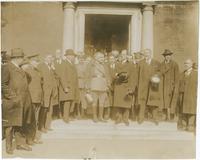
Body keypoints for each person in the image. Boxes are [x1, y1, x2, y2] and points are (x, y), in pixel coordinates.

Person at [2, 48, 33, 153]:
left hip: (22, 101)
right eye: (21, 57)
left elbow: (27, 79)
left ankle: (19, 144)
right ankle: (9, 147)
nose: (23, 59)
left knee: (19, 123)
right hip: (12, 101)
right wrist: (12, 96)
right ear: (16, 58)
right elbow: (2, 84)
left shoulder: (19, 68)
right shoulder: (7, 67)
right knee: (10, 125)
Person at [137, 49, 161, 125]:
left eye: (148, 53)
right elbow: (137, 74)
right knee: (142, 102)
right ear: (144, 54)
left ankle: (155, 119)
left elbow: (160, 72)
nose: (146, 55)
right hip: (143, 86)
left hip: (153, 87)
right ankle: (141, 118)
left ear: (151, 54)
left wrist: (156, 76)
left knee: (153, 103)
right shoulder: (140, 63)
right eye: (145, 53)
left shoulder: (156, 63)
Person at [113, 50, 137, 126]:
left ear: (127, 56)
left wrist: (131, 87)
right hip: (119, 85)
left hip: (127, 86)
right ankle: (119, 118)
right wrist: (116, 76)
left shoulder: (130, 65)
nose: (123, 56)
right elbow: (114, 74)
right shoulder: (117, 64)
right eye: (122, 54)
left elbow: (133, 77)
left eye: (124, 54)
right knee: (118, 103)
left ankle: (125, 119)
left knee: (126, 103)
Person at [86, 52, 111, 122]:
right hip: (94, 84)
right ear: (96, 58)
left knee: (102, 102)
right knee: (94, 102)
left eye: (103, 57)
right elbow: (87, 76)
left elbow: (108, 75)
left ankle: (100, 117)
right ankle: (94, 116)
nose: (102, 59)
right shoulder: (91, 65)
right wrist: (87, 87)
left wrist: (108, 85)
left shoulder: (105, 65)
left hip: (103, 85)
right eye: (100, 57)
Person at [55, 49, 79, 123]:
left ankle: (67, 116)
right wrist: (65, 87)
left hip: (72, 86)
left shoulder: (72, 64)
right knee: (67, 102)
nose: (73, 57)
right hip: (67, 87)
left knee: (70, 101)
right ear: (68, 56)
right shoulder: (64, 63)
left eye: (74, 56)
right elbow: (62, 76)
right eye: (72, 56)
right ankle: (66, 118)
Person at [25, 54, 43, 144]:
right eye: (36, 61)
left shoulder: (38, 71)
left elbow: (40, 86)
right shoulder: (27, 71)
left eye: (38, 61)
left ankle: (34, 137)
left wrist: (41, 98)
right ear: (30, 61)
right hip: (31, 99)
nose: (37, 63)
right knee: (30, 120)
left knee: (36, 120)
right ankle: (28, 139)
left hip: (38, 99)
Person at [39, 55, 58, 132]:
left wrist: (54, 69)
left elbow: (56, 77)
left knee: (50, 109)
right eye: (49, 58)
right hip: (45, 91)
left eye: (51, 58)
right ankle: (41, 126)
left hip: (51, 92)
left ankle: (47, 125)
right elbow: (40, 78)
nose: (51, 59)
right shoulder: (41, 66)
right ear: (45, 58)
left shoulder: (51, 67)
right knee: (44, 109)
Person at [177, 59, 197, 133]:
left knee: (191, 110)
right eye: (185, 63)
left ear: (191, 64)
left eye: (188, 63)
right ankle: (184, 125)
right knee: (183, 110)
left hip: (192, 95)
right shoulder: (182, 74)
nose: (186, 64)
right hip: (183, 95)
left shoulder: (196, 74)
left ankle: (190, 125)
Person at [160, 49, 179, 121]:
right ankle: (164, 115)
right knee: (164, 101)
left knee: (170, 101)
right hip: (163, 86)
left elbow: (177, 77)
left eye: (169, 55)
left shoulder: (174, 64)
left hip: (171, 86)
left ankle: (170, 116)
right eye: (166, 56)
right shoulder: (161, 64)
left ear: (171, 56)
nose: (167, 57)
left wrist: (175, 86)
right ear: (164, 56)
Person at [75, 54, 88, 118]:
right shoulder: (75, 66)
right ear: (78, 59)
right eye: (80, 58)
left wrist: (86, 84)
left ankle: (83, 114)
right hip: (77, 83)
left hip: (83, 84)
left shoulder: (86, 66)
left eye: (82, 58)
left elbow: (87, 76)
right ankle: (78, 113)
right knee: (78, 99)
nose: (81, 60)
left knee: (83, 99)